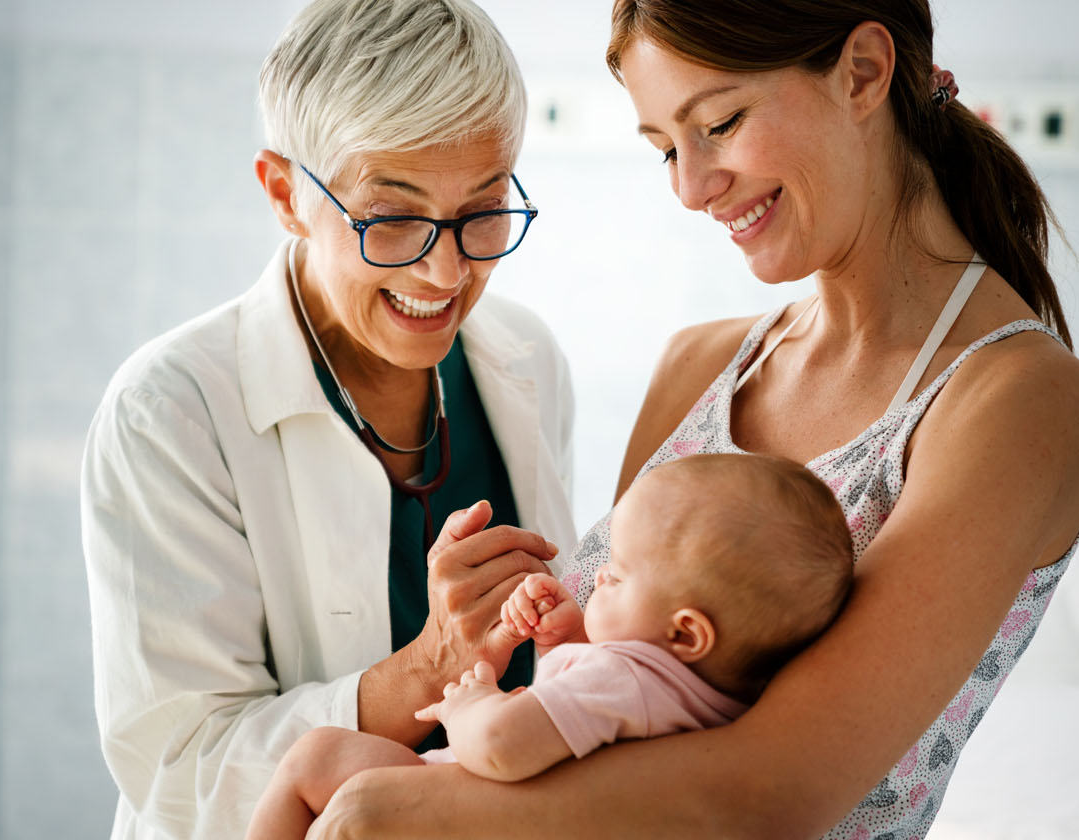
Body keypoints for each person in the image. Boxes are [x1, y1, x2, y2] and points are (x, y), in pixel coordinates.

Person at [306, 1, 1079, 838]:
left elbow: (777, 789)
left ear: (863, 72)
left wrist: (417, 808)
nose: (689, 186)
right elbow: (610, 692)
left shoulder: (1017, 397)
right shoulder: (700, 367)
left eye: (719, 122)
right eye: (667, 148)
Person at [78, 1, 577, 836]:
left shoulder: (524, 356)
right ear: (284, 193)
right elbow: (178, 772)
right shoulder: (168, 411)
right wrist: (428, 670)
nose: (447, 268)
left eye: (483, 210)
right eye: (394, 218)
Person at [248, 453, 854, 839]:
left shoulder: (625, 678)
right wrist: (570, 635)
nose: (597, 579)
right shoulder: (698, 696)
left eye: (615, 575)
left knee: (316, 757)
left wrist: (471, 705)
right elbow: (584, 719)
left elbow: (503, 746)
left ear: (686, 632)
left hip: (461, 811)